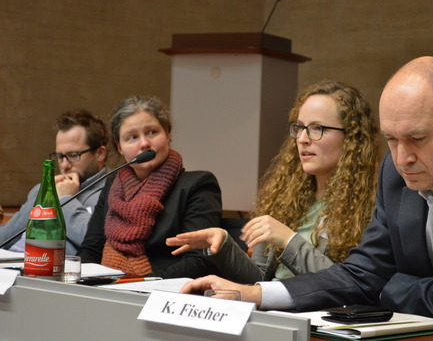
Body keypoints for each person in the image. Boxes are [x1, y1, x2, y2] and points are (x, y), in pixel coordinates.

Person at [180, 56, 433, 331]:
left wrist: (385, 286)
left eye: (417, 138)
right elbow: (361, 273)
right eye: (391, 139)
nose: (402, 158)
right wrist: (255, 295)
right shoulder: (395, 171)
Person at [166, 81, 379, 284]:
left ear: (352, 138)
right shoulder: (285, 199)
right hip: (276, 311)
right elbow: (259, 280)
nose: (303, 139)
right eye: (300, 127)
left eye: (317, 128)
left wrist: (288, 240)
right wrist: (224, 244)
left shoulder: (370, 209)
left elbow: (345, 285)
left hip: (317, 317)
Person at [77, 95, 222, 279]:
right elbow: (91, 249)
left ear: (168, 134)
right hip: (108, 289)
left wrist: (137, 283)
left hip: (165, 294)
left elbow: (198, 262)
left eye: (152, 132)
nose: (144, 143)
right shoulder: (112, 185)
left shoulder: (198, 185)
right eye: (132, 137)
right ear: (119, 146)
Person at [0, 109, 109, 255]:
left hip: (50, 271)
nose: (64, 165)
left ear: (100, 154)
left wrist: (64, 200)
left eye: (73, 155)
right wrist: (44, 195)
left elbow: (100, 244)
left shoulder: (113, 191)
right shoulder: (44, 188)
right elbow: (3, 239)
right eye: (59, 156)